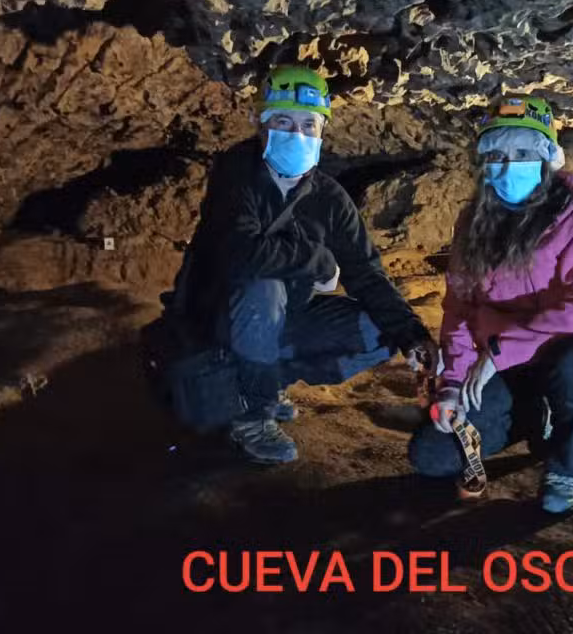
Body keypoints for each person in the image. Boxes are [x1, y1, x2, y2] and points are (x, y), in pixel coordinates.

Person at [166, 65, 438, 464]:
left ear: (323, 131)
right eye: (283, 122)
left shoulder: (329, 198)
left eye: (309, 124)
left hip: (283, 316)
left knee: (379, 330)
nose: (297, 134)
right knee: (264, 287)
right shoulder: (237, 173)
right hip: (220, 313)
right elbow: (241, 254)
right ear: (261, 125)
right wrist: (317, 260)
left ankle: (265, 381)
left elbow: (366, 274)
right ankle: (253, 417)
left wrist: (412, 335)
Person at [407, 95, 573, 516]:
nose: (509, 165)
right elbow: (459, 308)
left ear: (547, 158)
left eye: (523, 153)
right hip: (503, 366)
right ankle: (534, 414)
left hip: (560, 356)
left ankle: (566, 470)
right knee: (431, 456)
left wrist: (499, 352)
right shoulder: (473, 222)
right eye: (497, 155)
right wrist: (451, 384)